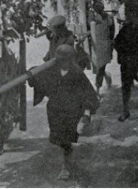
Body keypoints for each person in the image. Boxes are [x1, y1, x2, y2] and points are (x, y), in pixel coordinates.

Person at [28, 44, 99, 181]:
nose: (63, 63)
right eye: (61, 60)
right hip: (55, 111)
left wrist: (86, 115)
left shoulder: (77, 74)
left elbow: (89, 95)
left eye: (66, 60)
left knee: (66, 139)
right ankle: (66, 153)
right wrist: (30, 75)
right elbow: (38, 76)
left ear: (71, 60)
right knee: (57, 138)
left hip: (71, 112)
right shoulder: (52, 71)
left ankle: (65, 166)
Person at [88, 1, 114, 96]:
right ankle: (107, 76)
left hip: (104, 46)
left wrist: (110, 46)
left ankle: (97, 90)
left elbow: (112, 33)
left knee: (100, 68)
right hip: (95, 46)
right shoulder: (92, 19)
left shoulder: (108, 18)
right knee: (98, 67)